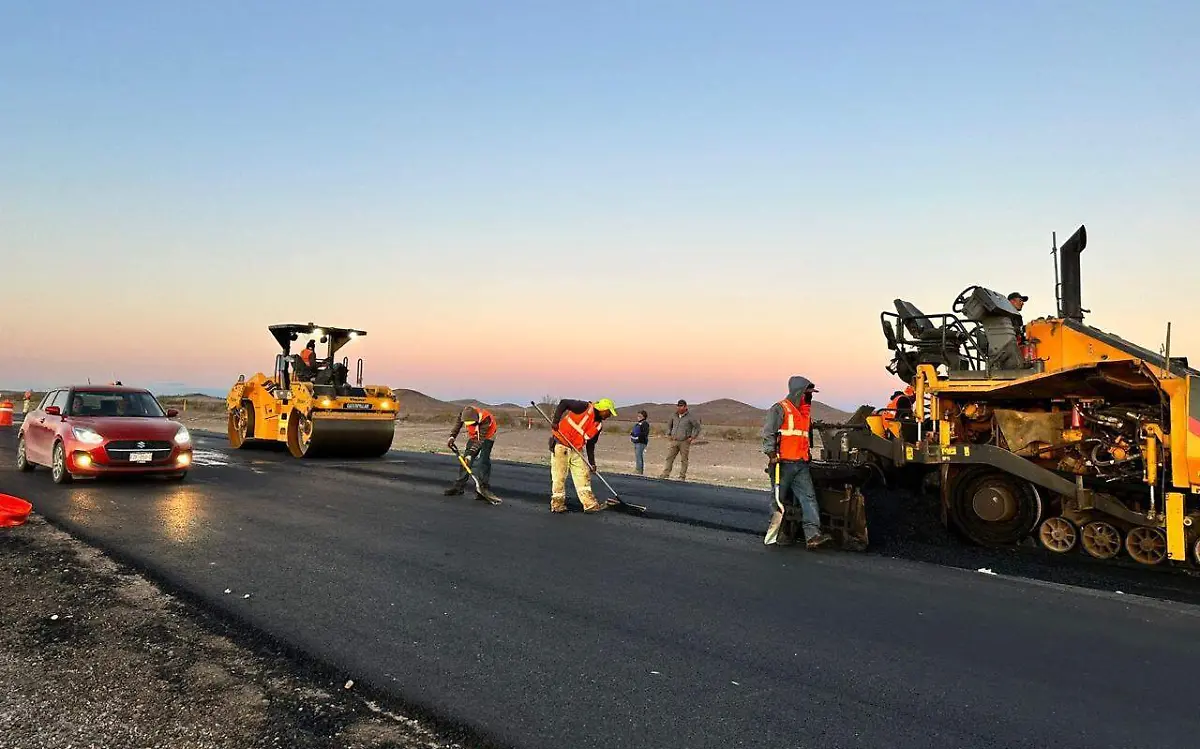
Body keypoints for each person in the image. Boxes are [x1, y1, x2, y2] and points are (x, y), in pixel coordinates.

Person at [761, 376, 833, 549]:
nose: (810, 396)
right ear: (799, 392)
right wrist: (771, 454)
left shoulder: (805, 413)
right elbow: (769, 432)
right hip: (783, 463)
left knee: (808, 498)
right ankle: (779, 533)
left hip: (801, 464)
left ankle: (812, 536)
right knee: (779, 500)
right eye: (808, 393)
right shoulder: (780, 409)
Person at [547, 398, 618, 513]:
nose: (609, 415)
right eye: (608, 412)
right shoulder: (584, 407)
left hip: (576, 449)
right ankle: (557, 504)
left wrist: (592, 463)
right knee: (559, 476)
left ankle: (589, 504)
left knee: (583, 475)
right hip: (561, 444)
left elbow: (590, 445)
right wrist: (555, 421)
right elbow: (563, 403)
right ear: (603, 409)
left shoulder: (598, 425)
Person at [443, 404, 500, 502]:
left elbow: (480, 440)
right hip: (474, 436)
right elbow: (458, 425)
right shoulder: (464, 414)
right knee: (465, 460)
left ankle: (483, 488)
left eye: (472, 423)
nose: (470, 425)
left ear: (477, 419)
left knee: (483, 460)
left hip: (488, 436)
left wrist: (471, 453)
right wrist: (452, 436)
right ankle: (458, 487)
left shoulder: (486, 419)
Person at [658, 399, 701, 480]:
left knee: (684, 459)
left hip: (684, 441)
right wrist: (669, 434)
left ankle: (682, 476)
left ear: (685, 407)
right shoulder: (673, 415)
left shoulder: (690, 417)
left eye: (681, 406)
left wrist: (692, 437)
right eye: (678, 406)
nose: (679, 408)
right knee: (669, 457)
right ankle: (665, 474)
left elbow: (697, 427)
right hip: (674, 440)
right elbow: (669, 425)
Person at [630, 410, 650, 475]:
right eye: (638, 416)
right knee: (637, 456)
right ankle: (637, 469)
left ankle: (639, 470)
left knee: (639, 456)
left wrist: (638, 437)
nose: (638, 417)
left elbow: (645, 433)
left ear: (643, 417)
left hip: (641, 442)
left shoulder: (645, 424)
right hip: (636, 441)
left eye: (640, 416)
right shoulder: (638, 424)